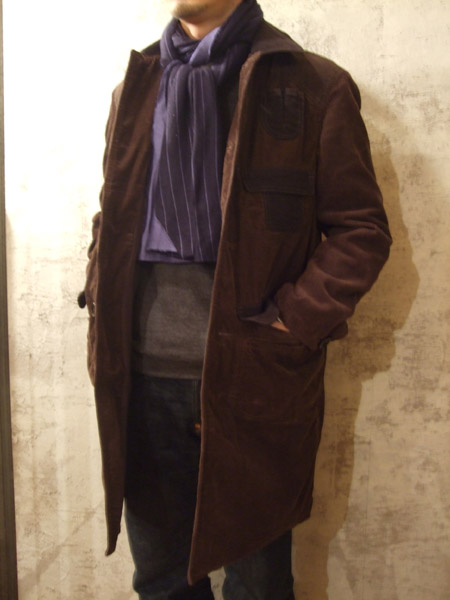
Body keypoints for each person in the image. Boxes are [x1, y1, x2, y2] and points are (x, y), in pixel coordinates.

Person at [78, 0, 392, 598]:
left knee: (258, 585)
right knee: (162, 583)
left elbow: (361, 230)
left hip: (255, 382)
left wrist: (293, 322)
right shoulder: (135, 90)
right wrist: (98, 287)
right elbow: (111, 215)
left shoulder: (313, 86)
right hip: (139, 380)